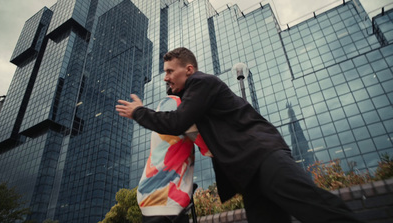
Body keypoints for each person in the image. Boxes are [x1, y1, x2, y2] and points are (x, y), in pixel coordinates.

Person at [116, 47, 363, 222]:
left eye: (170, 71)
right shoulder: (192, 95)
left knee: (315, 207)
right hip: (248, 172)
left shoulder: (202, 83)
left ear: (189, 69)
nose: (166, 77)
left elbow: (177, 122)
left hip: (262, 155)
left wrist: (139, 112)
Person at [134, 94, 211, 223]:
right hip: (167, 199)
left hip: (150, 195)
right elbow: (209, 148)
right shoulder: (180, 106)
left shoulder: (165, 104)